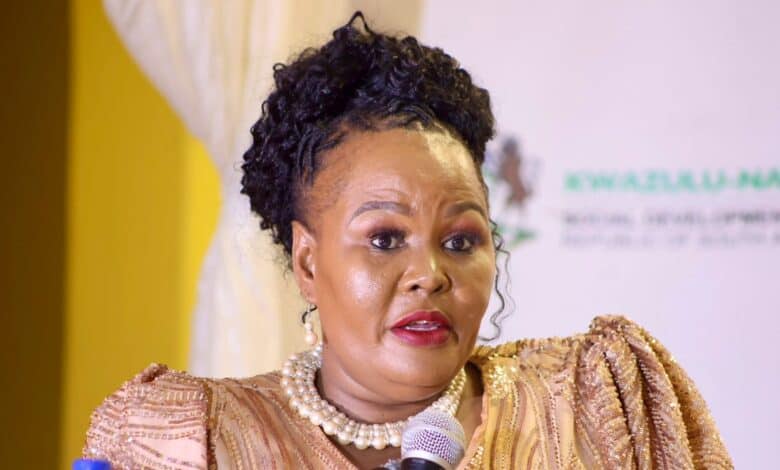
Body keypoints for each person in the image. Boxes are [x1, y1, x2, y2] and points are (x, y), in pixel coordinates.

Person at [82, 13, 732, 470]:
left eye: (461, 240)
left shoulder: (596, 405)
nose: (430, 273)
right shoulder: (190, 442)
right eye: (386, 238)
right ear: (307, 262)